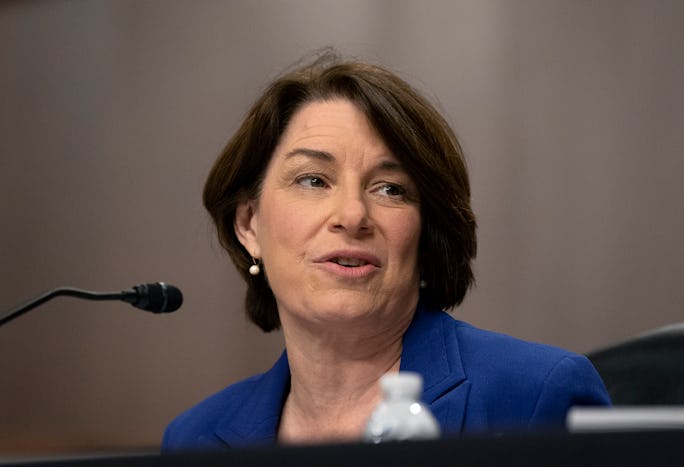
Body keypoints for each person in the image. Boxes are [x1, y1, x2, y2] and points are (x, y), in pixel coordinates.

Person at [162, 52, 610, 452]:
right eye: (313, 180)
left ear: (426, 233)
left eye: (391, 189)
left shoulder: (535, 398)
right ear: (248, 225)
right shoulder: (194, 437)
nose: (353, 215)